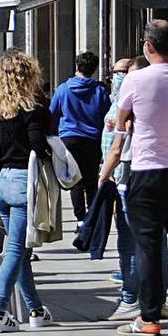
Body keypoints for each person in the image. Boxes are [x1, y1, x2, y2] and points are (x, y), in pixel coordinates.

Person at [110, 20, 168, 336]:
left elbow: (120, 121)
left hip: (147, 170)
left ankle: (149, 317)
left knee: (148, 246)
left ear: (148, 46)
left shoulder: (135, 80)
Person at [0, 50, 54, 332]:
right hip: (25, 180)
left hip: (3, 182)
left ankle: (35, 309)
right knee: (15, 249)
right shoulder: (33, 108)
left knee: (21, 251)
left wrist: (3, 174)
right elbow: (38, 146)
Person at [96, 56, 168, 321]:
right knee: (157, 242)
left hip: (129, 178)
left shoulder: (130, 102)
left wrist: (103, 175)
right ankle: (158, 300)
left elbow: (117, 148)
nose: (120, 77)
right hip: (161, 176)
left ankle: (132, 299)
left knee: (131, 242)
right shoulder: (162, 102)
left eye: (125, 73)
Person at [50, 52, 112, 224]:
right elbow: (107, 116)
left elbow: (52, 115)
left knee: (74, 178)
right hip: (92, 140)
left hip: (69, 138)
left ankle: (80, 218)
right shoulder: (100, 91)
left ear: (77, 66)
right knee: (91, 179)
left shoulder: (63, 89)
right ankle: (92, 216)